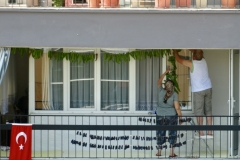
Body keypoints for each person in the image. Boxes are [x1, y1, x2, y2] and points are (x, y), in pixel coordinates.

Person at [173, 49, 213, 138]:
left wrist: (175, 50)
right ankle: (210, 132)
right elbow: (198, 53)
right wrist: (191, 50)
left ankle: (200, 133)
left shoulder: (192, 63)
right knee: (208, 111)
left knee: (199, 112)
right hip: (208, 88)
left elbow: (179, 60)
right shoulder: (204, 60)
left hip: (199, 90)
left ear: (193, 57)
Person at [156, 68, 182, 158]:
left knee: (160, 133)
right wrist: (181, 118)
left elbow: (159, 81)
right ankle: (171, 153)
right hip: (171, 117)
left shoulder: (160, 91)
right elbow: (177, 108)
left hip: (160, 116)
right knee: (172, 134)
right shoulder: (174, 94)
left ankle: (159, 152)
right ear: (173, 87)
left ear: (165, 86)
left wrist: (165, 72)